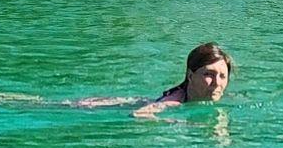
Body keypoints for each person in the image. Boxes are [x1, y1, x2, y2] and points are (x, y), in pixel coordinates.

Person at [69, 42, 234, 117]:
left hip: (143, 100)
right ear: (190, 76)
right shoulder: (173, 102)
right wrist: (174, 121)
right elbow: (138, 114)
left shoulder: (218, 96)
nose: (217, 83)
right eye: (208, 74)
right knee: (79, 105)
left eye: (222, 76)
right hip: (129, 106)